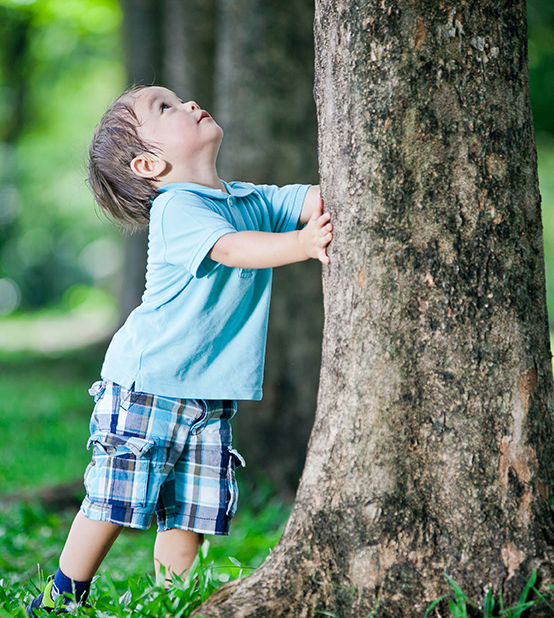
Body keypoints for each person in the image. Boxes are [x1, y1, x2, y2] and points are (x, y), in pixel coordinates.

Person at [28, 85, 332, 615]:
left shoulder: (244, 199)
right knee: (114, 498)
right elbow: (232, 248)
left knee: (191, 509)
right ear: (149, 164)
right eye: (164, 109)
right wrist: (301, 245)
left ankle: (179, 599)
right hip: (148, 384)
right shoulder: (178, 209)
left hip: (208, 393)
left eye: (179, 98)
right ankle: (61, 595)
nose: (188, 104)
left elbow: (306, 199)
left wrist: (325, 204)